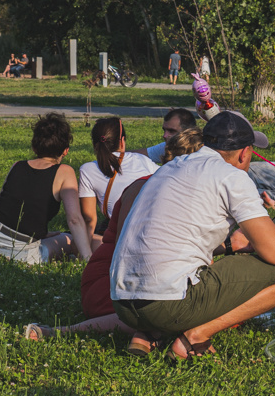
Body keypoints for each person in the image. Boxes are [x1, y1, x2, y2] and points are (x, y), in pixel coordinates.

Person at [110, 111, 275, 359]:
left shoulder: (170, 167)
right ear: (245, 153)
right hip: (165, 303)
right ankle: (196, 335)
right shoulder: (232, 176)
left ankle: (148, 333)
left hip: (122, 302)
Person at [24, 128, 206, 341]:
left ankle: (143, 336)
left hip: (120, 281)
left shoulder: (157, 185)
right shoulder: (155, 189)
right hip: (116, 284)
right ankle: (64, 332)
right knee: (192, 307)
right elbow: (133, 250)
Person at [0, 113, 90, 263]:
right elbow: (74, 220)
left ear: (34, 147)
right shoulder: (65, 172)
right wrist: (88, 258)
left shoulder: (18, 166)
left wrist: (41, 233)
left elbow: (6, 207)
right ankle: (75, 257)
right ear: (66, 150)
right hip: (22, 254)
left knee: (49, 237)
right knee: (66, 239)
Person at [77, 117, 159, 254]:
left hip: (116, 235)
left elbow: (89, 219)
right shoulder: (144, 161)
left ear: (94, 144)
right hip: (148, 231)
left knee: (74, 241)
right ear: (122, 141)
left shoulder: (87, 170)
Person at [132, 108, 197, 164]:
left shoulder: (202, 152)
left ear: (189, 132)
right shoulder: (168, 147)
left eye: (172, 131)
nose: (165, 136)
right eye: (164, 130)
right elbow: (133, 155)